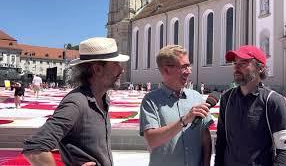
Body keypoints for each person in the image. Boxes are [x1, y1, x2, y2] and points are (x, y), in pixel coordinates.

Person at [22, 37, 129, 166]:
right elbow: (34, 148)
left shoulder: (103, 98)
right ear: (97, 69)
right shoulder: (76, 103)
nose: (122, 69)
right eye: (116, 64)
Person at [214, 45, 286, 166]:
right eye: (235, 63)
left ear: (260, 68)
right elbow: (221, 140)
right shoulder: (227, 98)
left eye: (243, 63)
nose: (236, 67)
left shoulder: (273, 101)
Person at [139, 45, 213, 166]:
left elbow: (205, 137)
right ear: (166, 70)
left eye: (189, 65)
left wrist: (206, 163)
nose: (189, 71)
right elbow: (151, 140)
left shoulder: (196, 97)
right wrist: (184, 120)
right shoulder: (150, 101)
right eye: (184, 67)